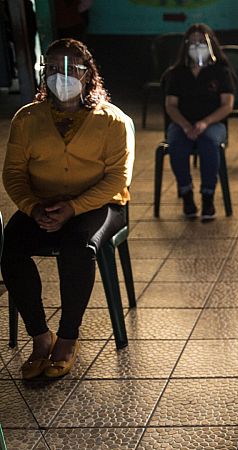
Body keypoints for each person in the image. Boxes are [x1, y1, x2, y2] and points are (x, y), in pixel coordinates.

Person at [1, 38, 134, 379]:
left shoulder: (113, 121)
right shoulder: (27, 119)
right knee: (9, 247)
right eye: (52, 67)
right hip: (40, 205)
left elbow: (117, 178)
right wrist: (32, 208)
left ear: (88, 75)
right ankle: (40, 337)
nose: (61, 75)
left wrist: (73, 208)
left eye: (70, 68)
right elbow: (13, 173)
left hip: (98, 205)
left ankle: (68, 338)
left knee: (78, 247)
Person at [162, 23, 234, 221]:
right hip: (182, 123)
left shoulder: (220, 71)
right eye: (192, 42)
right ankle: (186, 193)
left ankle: (208, 196)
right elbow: (171, 105)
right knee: (177, 143)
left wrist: (205, 122)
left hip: (213, 124)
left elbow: (227, 105)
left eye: (201, 42)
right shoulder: (177, 73)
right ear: (185, 46)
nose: (197, 46)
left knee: (209, 143)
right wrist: (185, 125)